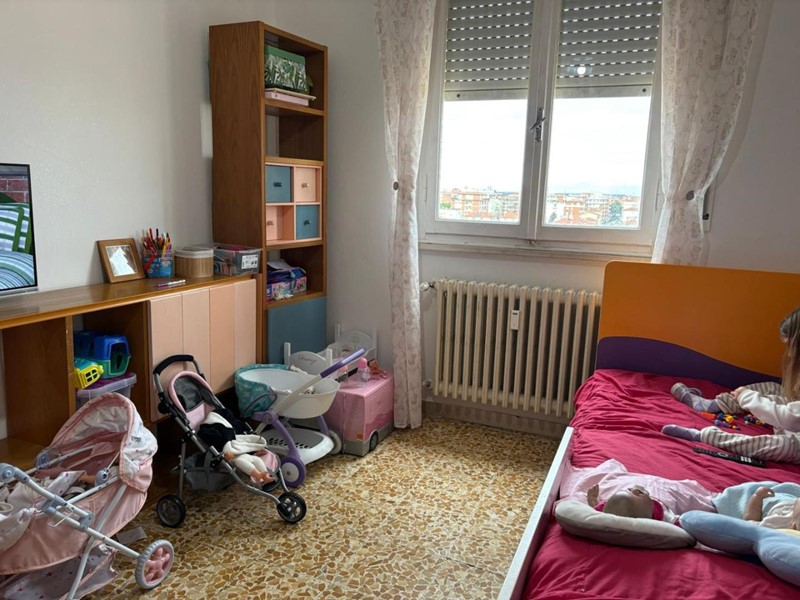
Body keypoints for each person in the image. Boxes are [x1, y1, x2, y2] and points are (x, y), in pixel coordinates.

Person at [662, 307, 800, 463]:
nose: (789, 353)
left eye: (791, 347)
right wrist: (754, 399)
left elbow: (789, 419)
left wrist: (747, 397)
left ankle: (706, 436)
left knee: (784, 446)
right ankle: (711, 405)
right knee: (773, 388)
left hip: (795, 437)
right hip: (793, 424)